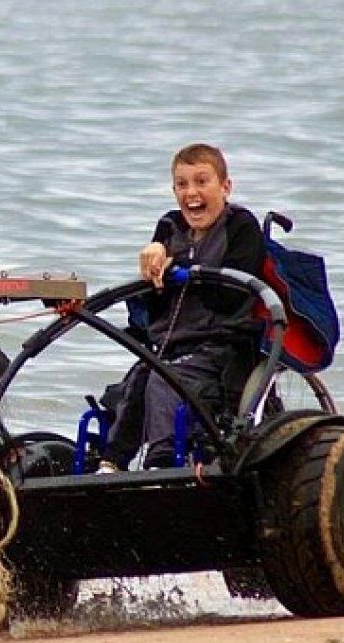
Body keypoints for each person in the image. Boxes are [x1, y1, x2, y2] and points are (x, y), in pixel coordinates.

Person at [96, 144, 265, 472]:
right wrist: (155, 274)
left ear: (225, 187)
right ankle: (109, 464)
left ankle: (161, 462)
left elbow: (229, 298)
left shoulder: (241, 226)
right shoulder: (170, 228)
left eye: (202, 181)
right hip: (172, 347)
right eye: (182, 184)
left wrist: (184, 269)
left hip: (222, 348)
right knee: (138, 380)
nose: (191, 193)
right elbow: (156, 308)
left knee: (163, 379)